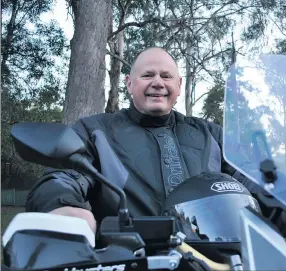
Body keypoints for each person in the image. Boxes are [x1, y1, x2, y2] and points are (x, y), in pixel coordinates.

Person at [26, 47, 251, 234]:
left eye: (166, 76)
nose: (157, 83)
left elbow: (254, 179)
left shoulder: (211, 135)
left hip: (216, 258)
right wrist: (62, 205)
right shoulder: (95, 131)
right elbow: (63, 177)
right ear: (129, 83)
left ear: (179, 85)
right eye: (147, 75)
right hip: (126, 258)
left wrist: (283, 207)